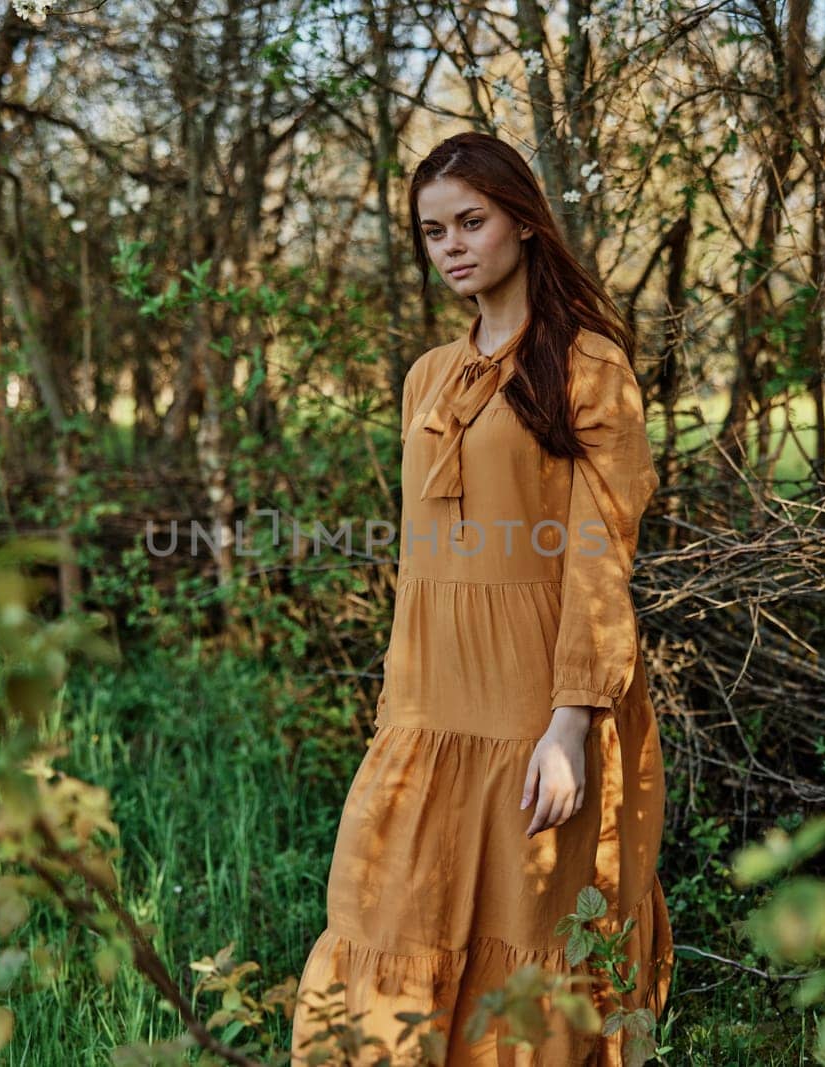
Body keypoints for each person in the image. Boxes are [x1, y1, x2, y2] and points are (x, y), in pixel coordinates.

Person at [290, 131, 672, 1066]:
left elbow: (597, 554)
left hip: (536, 704)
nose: (453, 245)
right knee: (386, 905)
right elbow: (420, 562)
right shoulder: (428, 376)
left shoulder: (590, 368)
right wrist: (398, 700)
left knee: (524, 930)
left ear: (523, 224)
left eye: (473, 221)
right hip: (428, 703)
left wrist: (571, 723)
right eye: (432, 231)